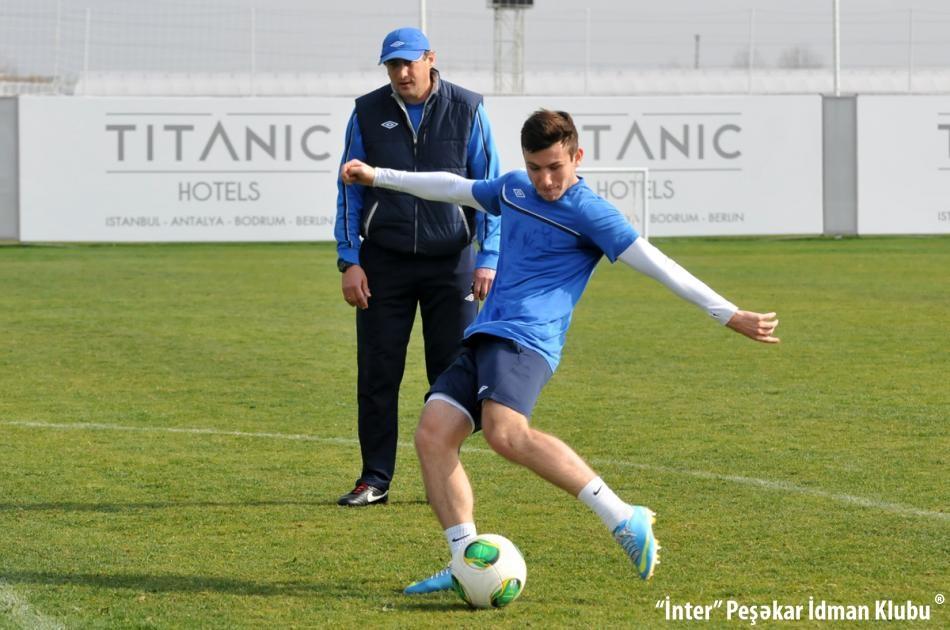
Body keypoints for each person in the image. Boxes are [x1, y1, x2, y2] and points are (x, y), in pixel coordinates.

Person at [341, 110, 780, 588]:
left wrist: (728, 313)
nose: (545, 180)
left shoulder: (591, 213)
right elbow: (454, 187)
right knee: (432, 434)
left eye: (555, 167)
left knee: (505, 433)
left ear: (577, 156)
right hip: (486, 333)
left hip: (528, 339)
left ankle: (622, 516)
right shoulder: (514, 188)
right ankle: (465, 559)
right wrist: (378, 176)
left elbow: (657, 264)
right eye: (535, 167)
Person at [334, 27, 501, 507]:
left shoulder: (468, 108)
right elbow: (349, 188)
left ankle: (443, 477)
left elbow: (489, 188)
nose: (402, 72)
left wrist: (488, 257)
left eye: (409, 62)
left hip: (452, 263)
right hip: (383, 263)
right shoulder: (367, 112)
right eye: (393, 65)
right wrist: (350, 260)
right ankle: (374, 479)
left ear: (430, 58)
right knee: (378, 373)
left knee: (451, 376)